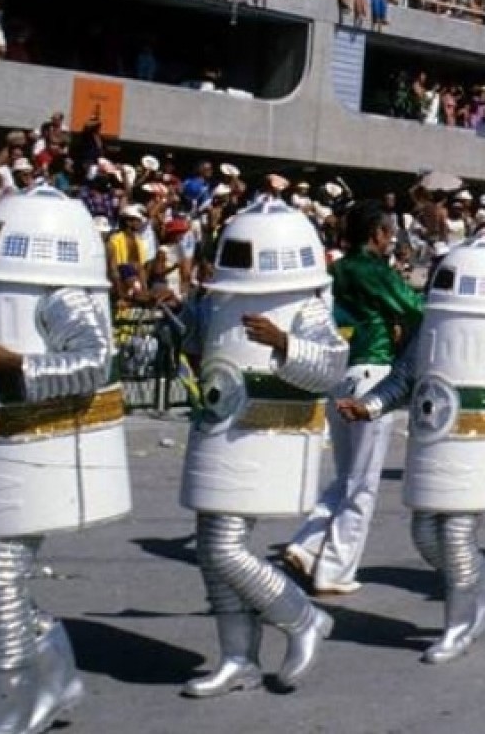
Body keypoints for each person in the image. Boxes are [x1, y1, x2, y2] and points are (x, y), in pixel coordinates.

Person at [0, 187, 129, 733]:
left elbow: (95, 362)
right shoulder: (0, 286)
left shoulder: (63, 294)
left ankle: (5, 715)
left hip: (37, 451)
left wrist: (19, 366)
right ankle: (57, 677)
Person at [338, 240, 485, 663]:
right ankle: (484, 583)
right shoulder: (431, 328)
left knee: (456, 537)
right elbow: (404, 379)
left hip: (480, 449)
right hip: (434, 449)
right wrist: (370, 407)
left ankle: (458, 627)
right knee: (424, 533)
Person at [179, 200, 347, 697]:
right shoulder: (214, 300)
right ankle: (239, 658)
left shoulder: (307, 305)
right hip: (217, 431)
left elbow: (333, 367)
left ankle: (301, 617)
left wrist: (284, 343)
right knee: (212, 549)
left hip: (265, 437)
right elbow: (196, 344)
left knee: (226, 547)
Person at [284, 201, 425, 595]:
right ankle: (335, 570)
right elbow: (416, 310)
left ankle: (307, 545)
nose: (392, 239)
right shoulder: (374, 270)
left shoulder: (336, 270)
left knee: (346, 475)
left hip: (339, 375)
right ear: (377, 234)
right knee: (362, 485)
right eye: (389, 233)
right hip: (373, 374)